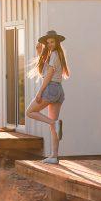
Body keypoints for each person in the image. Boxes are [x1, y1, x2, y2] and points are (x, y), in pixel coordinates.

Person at [26, 29, 70, 163]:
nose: (50, 44)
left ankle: (54, 123)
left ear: (57, 42)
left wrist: (40, 92)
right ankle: (54, 156)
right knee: (54, 128)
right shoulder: (57, 55)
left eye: (52, 42)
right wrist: (40, 53)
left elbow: (48, 76)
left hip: (51, 88)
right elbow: (46, 70)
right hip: (58, 90)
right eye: (48, 42)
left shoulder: (55, 54)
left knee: (30, 112)